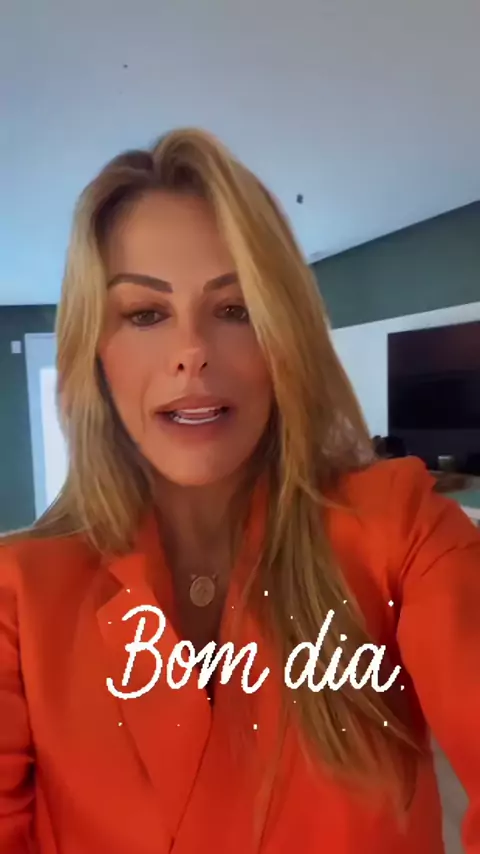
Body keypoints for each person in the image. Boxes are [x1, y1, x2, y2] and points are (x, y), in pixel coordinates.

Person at [0, 128, 479, 854]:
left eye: (236, 309)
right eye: (145, 314)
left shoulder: (404, 531)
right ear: (94, 352)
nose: (192, 352)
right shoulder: (17, 599)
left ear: (285, 338)